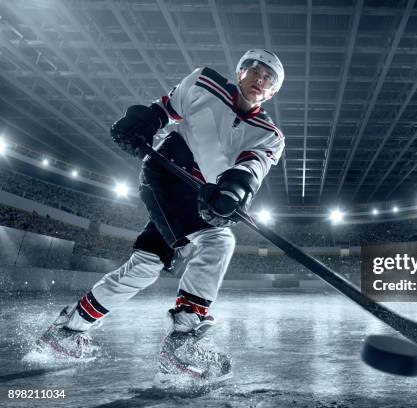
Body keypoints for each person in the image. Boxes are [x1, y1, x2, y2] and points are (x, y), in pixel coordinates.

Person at [34, 50, 285, 383]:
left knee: (145, 267)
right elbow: (165, 109)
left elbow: (251, 167)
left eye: (269, 79)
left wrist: (233, 191)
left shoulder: (270, 134)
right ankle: (183, 338)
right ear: (240, 72)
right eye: (256, 71)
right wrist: (143, 122)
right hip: (167, 172)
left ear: (272, 93)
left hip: (199, 196)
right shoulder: (204, 81)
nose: (261, 80)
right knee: (217, 239)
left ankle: (67, 330)